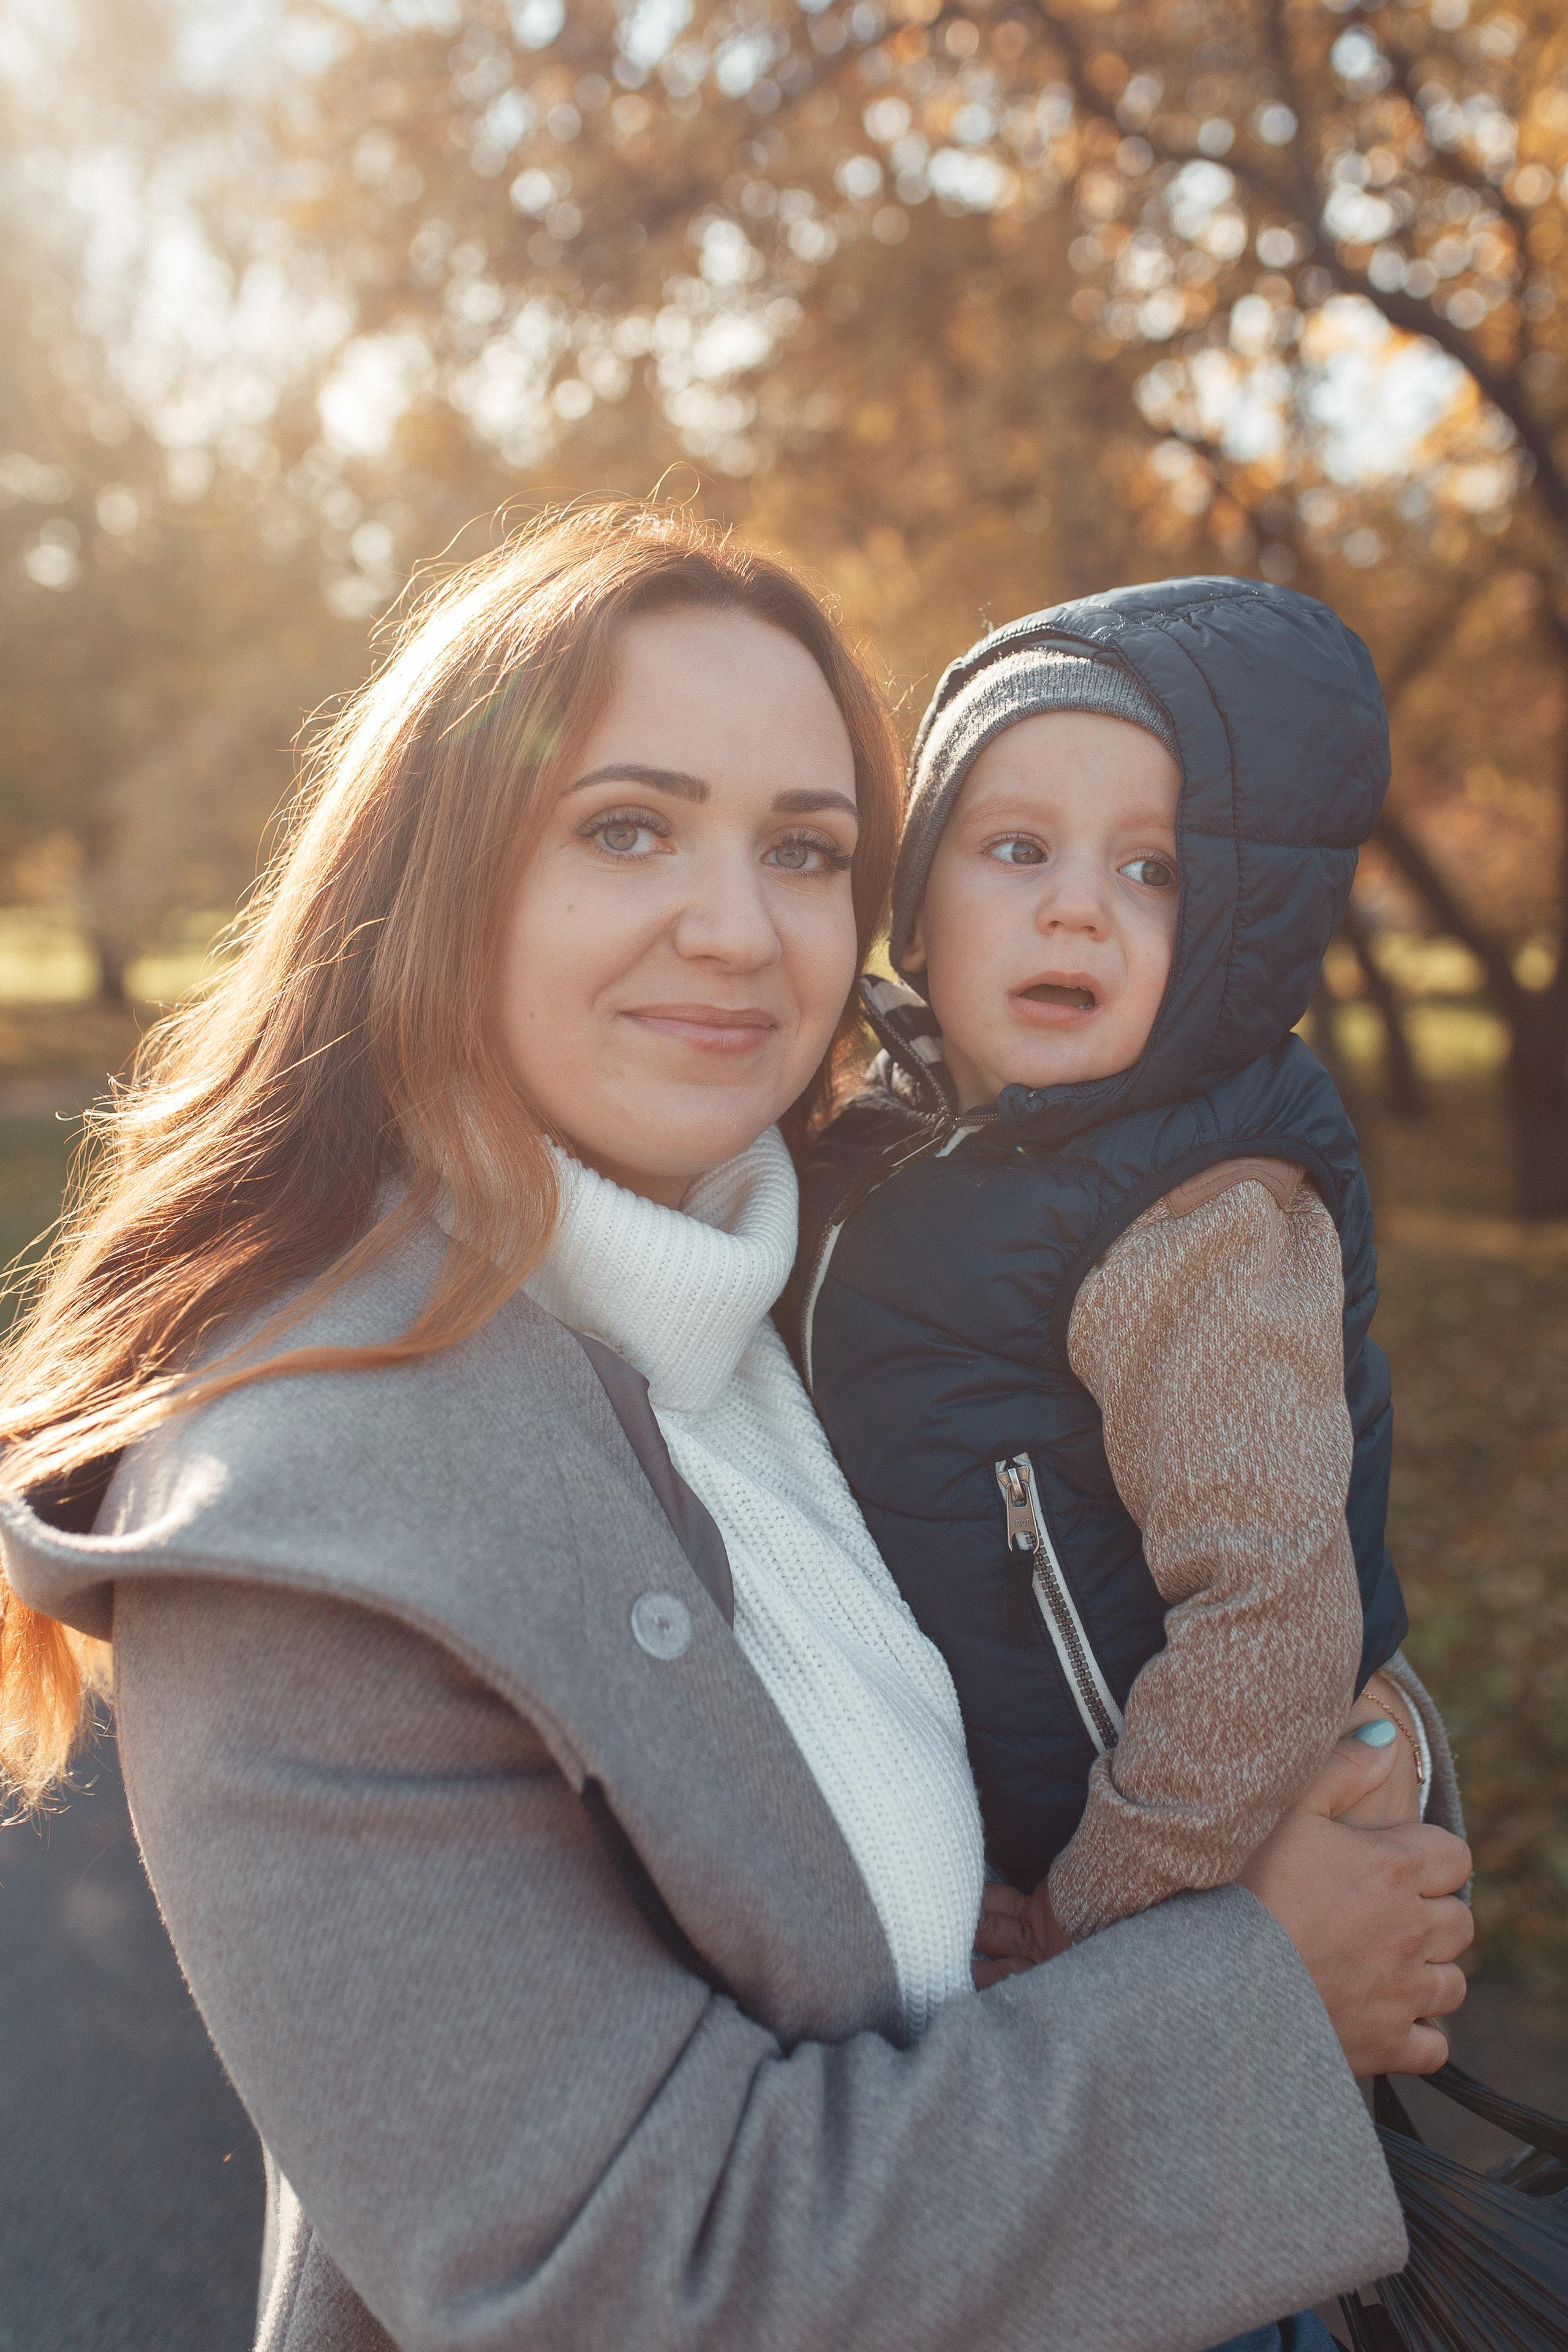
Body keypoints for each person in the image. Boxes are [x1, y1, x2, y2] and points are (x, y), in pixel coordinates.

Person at [0, 512, 1471, 2352]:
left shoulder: (812, 1292)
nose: (737, 923)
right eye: (629, 827)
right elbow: (623, 2276)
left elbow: (1193, 1576)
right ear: (441, 877)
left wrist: (1363, 1749)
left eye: (804, 848)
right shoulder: (312, 1528)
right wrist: (1258, 1998)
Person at [797, 578, 1453, 1986]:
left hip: (1138, 1896)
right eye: (1016, 849)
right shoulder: (881, 1147)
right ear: (913, 905)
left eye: (1151, 870)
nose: (1076, 912)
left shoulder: (1192, 1218)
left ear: (1228, 934)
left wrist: (1089, 1917)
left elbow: (1272, 1618)